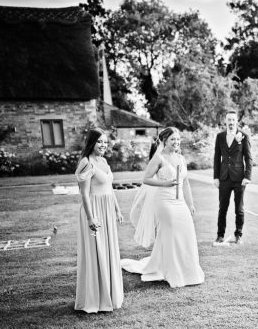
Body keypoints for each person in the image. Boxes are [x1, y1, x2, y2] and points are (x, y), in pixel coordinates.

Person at [121, 127, 205, 288]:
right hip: (164, 202)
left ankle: (188, 270)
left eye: (178, 139)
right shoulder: (158, 158)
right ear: (164, 141)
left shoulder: (181, 158)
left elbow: (185, 182)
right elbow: (146, 179)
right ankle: (172, 271)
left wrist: (191, 203)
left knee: (187, 233)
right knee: (171, 233)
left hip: (180, 202)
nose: (176, 142)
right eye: (173, 139)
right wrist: (165, 183)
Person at [74, 128, 124, 313]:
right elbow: (85, 194)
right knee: (97, 252)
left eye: (105, 142)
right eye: (99, 142)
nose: (103, 145)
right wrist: (90, 218)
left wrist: (117, 210)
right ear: (91, 143)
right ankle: (96, 299)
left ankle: (110, 294)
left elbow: (109, 189)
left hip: (108, 211)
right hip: (94, 210)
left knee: (108, 249)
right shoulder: (86, 163)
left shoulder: (103, 161)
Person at [212, 110, 252, 246]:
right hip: (224, 178)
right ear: (225, 121)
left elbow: (248, 158)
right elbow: (217, 158)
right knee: (222, 208)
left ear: (236, 121)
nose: (231, 122)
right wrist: (216, 177)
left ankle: (238, 235)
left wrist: (247, 176)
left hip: (239, 178)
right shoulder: (220, 136)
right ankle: (220, 235)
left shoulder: (244, 136)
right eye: (228, 120)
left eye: (233, 120)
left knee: (239, 209)